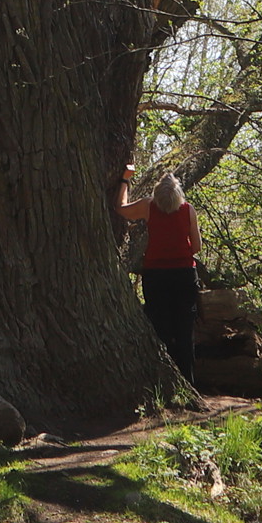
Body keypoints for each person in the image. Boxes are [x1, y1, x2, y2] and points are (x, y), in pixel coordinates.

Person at [114, 164, 200, 382]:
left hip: (156, 275)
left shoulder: (148, 206)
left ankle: (162, 381)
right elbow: (196, 247)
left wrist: (125, 180)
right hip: (184, 275)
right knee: (184, 329)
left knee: (159, 327)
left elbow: (121, 208)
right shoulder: (188, 209)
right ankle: (187, 382)